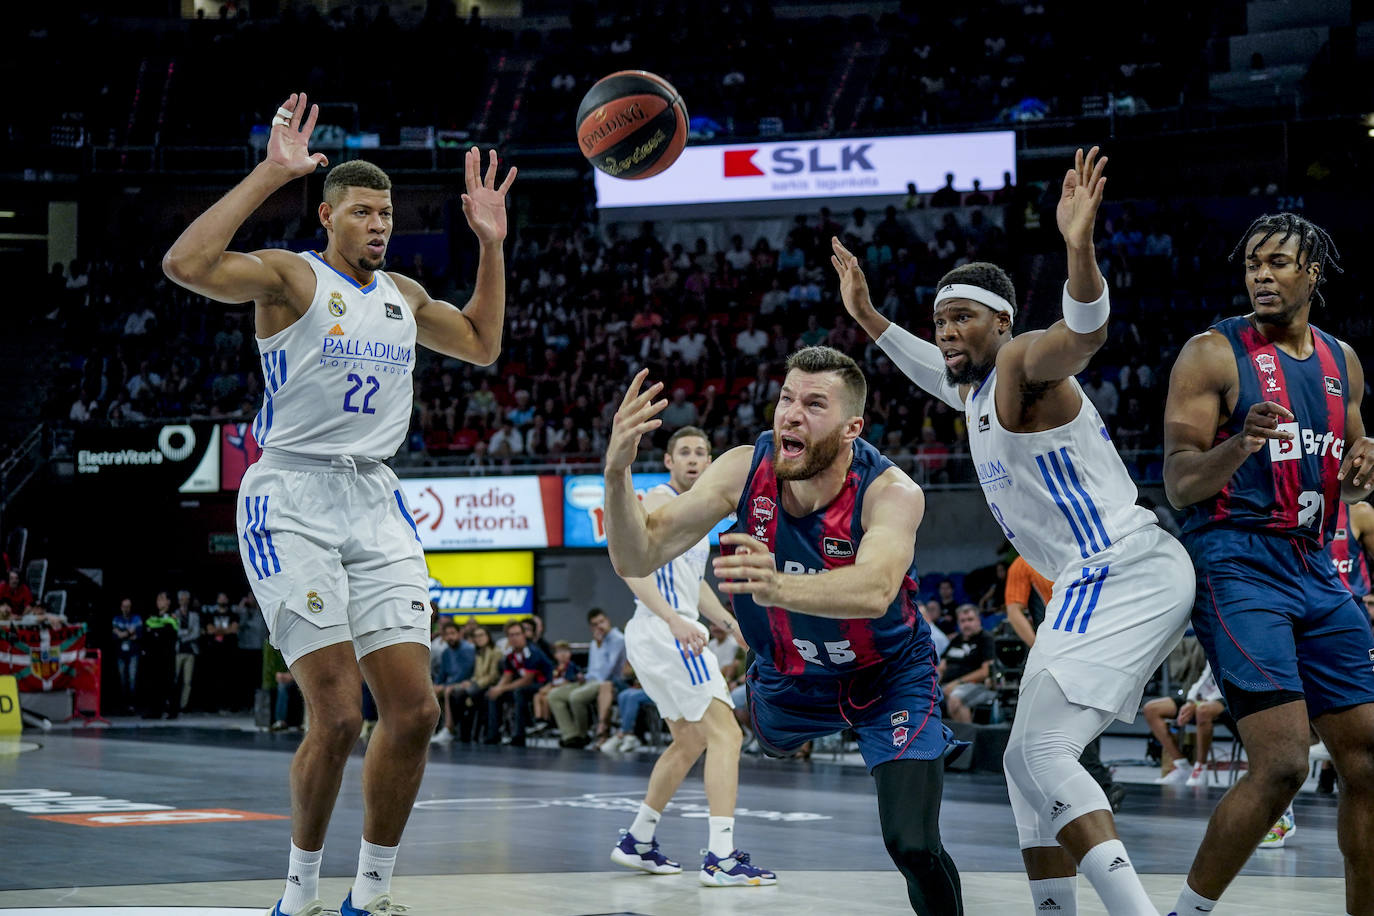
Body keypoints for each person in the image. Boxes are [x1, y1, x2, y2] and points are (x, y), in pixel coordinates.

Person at [162, 91, 516, 916]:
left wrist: (491, 246)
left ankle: (374, 893)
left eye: (386, 213)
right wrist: (269, 172)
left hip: (374, 498)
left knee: (418, 710)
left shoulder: (403, 293)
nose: (379, 224)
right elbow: (185, 264)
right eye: (362, 212)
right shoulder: (290, 277)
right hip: (290, 495)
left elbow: (483, 344)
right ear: (327, 216)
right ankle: (300, 892)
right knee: (337, 713)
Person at [834, 147, 1193, 915]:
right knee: (1021, 768)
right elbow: (928, 364)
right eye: (941, 320)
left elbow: (1084, 333)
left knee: (1040, 750)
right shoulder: (970, 390)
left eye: (962, 317)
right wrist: (868, 317)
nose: (948, 332)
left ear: (1001, 320)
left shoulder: (1024, 362)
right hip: (1092, 582)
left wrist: (1077, 247)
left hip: (1123, 565)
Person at [604, 349, 963, 913]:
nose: (791, 415)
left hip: (887, 675)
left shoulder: (891, 491)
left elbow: (874, 590)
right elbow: (637, 553)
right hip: (788, 673)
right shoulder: (745, 467)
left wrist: (776, 588)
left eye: (814, 404)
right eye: (787, 399)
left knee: (913, 843)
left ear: (852, 428)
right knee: (762, 741)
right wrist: (616, 473)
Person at [1161, 211, 1374, 916]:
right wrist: (1239, 447)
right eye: (1254, 262)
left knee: (1368, 762)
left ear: (1314, 273)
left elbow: (1347, 476)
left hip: (1317, 565)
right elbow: (1180, 483)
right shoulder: (1212, 354)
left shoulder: (1344, 362)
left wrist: (1363, 473)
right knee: (1281, 765)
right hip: (1237, 562)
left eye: (1279, 262)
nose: (1261, 273)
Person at [605, 425, 772, 887]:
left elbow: (692, 583)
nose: (696, 459)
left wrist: (729, 622)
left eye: (702, 451)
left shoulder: (693, 515)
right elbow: (628, 567)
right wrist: (676, 621)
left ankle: (638, 841)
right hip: (667, 632)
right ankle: (721, 857)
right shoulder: (657, 500)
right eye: (686, 453)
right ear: (668, 462)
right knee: (727, 736)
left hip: (662, 631)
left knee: (690, 740)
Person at [548, 608, 625, 749]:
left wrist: (600, 645)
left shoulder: (617, 640)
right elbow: (592, 669)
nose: (599, 626)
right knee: (554, 695)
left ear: (608, 621)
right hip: (589, 681)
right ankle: (571, 736)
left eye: (601, 622)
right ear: (591, 627)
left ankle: (582, 734)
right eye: (595, 624)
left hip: (607, 683)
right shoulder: (595, 642)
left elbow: (607, 671)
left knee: (576, 697)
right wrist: (582, 677)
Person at [1143, 665, 1225, 786]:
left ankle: (1200, 768)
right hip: (1201, 699)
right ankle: (1182, 766)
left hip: (1226, 698)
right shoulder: (1215, 648)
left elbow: (1228, 684)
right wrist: (1191, 701)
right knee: (1151, 709)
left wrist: (1198, 703)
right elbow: (1204, 678)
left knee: (1202, 710)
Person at [485, 620, 552, 746]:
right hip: (524, 686)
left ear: (524, 635)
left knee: (519, 692)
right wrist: (498, 688)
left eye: (517, 634)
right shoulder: (510, 653)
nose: (515, 638)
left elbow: (527, 679)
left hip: (542, 685)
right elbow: (508, 675)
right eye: (511, 635)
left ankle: (519, 736)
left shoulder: (532, 651)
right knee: (493, 694)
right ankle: (493, 735)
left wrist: (502, 688)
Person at [939, 605, 995, 724]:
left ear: (978, 621)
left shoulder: (986, 639)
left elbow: (986, 672)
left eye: (970, 620)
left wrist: (957, 682)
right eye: (962, 621)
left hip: (975, 686)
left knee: (956, 699)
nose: (966, 624)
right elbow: (941, 666)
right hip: (946, 685)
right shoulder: (956, 640)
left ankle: (966, 741)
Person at [430, 621, 475, 745]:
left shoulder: (468, 649)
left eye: (453, 633)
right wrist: (436, 685)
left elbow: (465, 673)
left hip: (467, 682)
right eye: (447, 634)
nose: (450, 637)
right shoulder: (446, 652)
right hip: (450, 683)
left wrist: (443, 686)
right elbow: (442, 674)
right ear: (443, 637)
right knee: (430, 692)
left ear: (460, 634)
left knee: (448, 691)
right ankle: (428, 730)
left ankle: (449, 730)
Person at [112, 598, 143, 713]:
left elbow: (138, 634)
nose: (126, 609)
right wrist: (129, 632)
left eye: (128, 606)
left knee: (132, 678)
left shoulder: (136, 618)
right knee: (122, 680)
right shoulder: (116, 619)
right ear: (121, 607)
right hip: (121, 654)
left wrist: (122, 633)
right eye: (124, 606)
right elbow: (116, 635)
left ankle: (132, 705)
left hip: (133, 653)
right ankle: (123, 705)